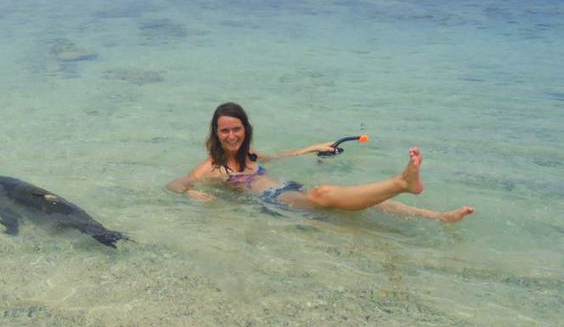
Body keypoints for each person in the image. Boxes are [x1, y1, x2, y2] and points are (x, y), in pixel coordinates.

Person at [167, 102, 475, 222]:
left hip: (288, 188)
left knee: (368, 202)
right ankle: (401, 182)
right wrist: (192, 191)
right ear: (216, 133)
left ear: (245, 128)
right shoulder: (213, 166)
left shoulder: (251, 155)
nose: (232, 135)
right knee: (326, 193)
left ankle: (437, 216)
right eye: (225, 131)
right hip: (275, 203)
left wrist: (313, 147)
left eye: (236, 128)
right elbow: (177, 183)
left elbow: (285, 156)